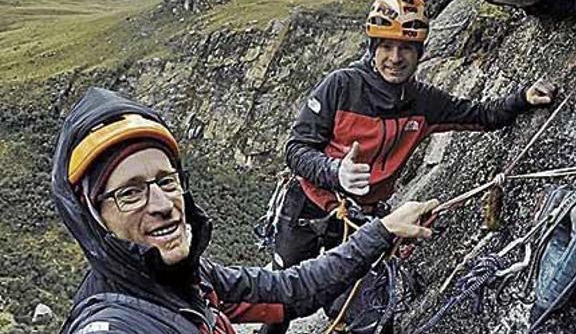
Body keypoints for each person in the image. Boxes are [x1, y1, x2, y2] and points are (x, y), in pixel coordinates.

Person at [260, 0, 556, 333]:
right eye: (386, 46)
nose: (395, 58)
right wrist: (334, 171)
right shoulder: (341, 86)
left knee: (368, 313)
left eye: (406, 48)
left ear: (420, 52)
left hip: (362, 219)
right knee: (280, 303)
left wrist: (521, 99)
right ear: (373, 46)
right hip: (308, 206)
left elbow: (481, 115)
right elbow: (296, 149)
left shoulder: (423, 103)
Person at [51, 87, 437, 334]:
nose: (163, 206)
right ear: (93, 216)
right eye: (131, 193)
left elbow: (293, 290)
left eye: (167, 182)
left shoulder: (186, 277)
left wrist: (382, 231)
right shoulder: (115, 326)